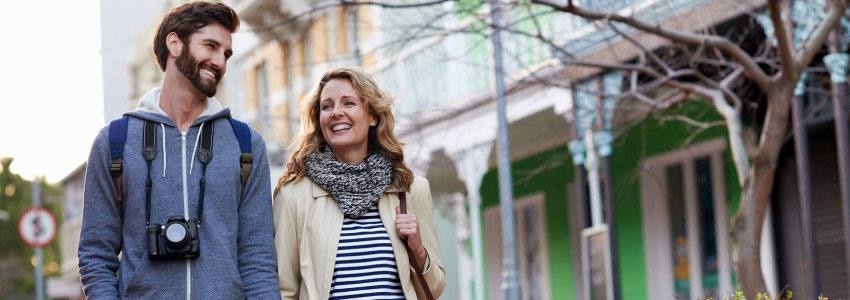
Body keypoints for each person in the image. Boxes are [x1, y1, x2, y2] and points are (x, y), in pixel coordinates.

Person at [78, 2, 280, 299]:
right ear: (174, 44)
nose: (219, 61)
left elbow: (258, 259)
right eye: (210, 46)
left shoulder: (246, 145)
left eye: (226, 53)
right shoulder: (115, 142)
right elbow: (96, 254)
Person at [273, 66, 446, 299]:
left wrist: (417, 249)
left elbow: (433, 291)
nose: (336, 112)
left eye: (348, 103)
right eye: (327, 106)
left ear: (373, 116)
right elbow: (283, 290)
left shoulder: (410, 189)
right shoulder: (293, 196)